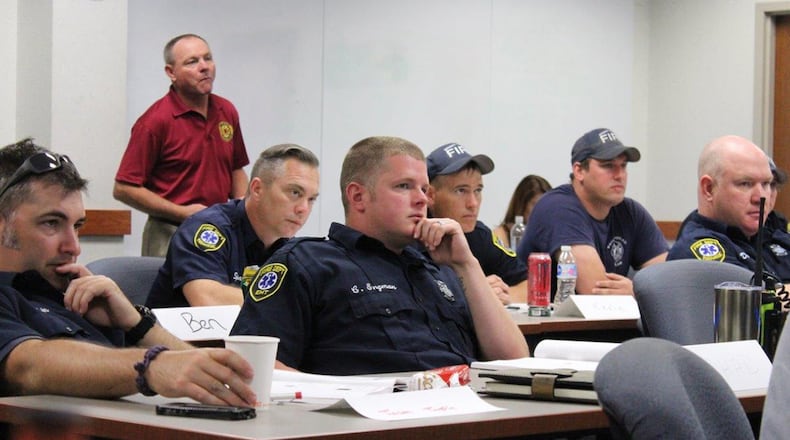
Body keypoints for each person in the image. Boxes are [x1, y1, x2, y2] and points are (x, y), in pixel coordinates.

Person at [231, 136, 529, 375]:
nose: (422, 198)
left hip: (468, 413)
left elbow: (514, 360)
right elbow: (252, 365)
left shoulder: (438, 269)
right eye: (404, 186)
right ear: (358, 196)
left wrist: (466, 264)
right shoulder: (308, 263)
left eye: (424, 188)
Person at [0, 139, 255, 406]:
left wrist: (137, 324)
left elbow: (214, 383)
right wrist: (150, 366)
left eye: (77, 226)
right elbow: (27, 366)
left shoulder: (74, 296)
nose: (73, 246)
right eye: (51, 223)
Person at [114, 33, 250, 257]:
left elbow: (236, 168)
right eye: (192, 61)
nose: (204, 67)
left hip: (218, 230)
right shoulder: (155, 122)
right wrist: (182, 212)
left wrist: (243, 213)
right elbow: (123, 188)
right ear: (171, 72)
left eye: (208, 58)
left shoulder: (226, 111)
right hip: (169, 231)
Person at [145, 144, 320, 308]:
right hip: (175, 340)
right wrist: (292, 307)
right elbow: (207, 298)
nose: (303, 209)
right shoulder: (208, 229)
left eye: (311, 199)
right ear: (257, 189)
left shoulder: (291, 248)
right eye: (295, 193)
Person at [518, 128, 667, 297]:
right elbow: (597, 292)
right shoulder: (557, 208)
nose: (620, 175)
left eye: (623, 166)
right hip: (545, 321)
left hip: (602, 321)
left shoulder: (631, 212)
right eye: (608, 166)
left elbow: (668, 283)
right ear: (579, 171)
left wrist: (637, 291)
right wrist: (641, 292)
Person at [426, 143, 528, 304]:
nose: (473, 203)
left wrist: (499, 296)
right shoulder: (408, 239)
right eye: (461, 190)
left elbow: (527, 285)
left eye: (478, 190)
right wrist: (475, 294)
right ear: (430, 195)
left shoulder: (480, 235)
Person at [668, 135, 780, 277]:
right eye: (745, 183)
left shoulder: (770, 236)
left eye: (766, 184)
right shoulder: (697, 249)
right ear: (708, 189)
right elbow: (756, 297)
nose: (761, 197)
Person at [494, 174, 552, 249]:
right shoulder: (501, 234)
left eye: (546, 205)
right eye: (536, 205)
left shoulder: (552, 234)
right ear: (521, 206)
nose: (542, 211)